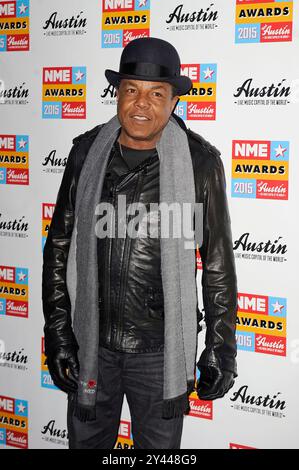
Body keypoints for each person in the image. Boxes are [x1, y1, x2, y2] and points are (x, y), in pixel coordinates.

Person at [42, 37, 238, 450]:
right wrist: (60, 334)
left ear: (173, 102)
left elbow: (217, 261)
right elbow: (58, 247)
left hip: (160, 354)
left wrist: (222, 348)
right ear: (118, 94)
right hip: (92, 345)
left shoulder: (200, 164)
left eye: (156, 94)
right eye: (131, 90)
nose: (141, 104)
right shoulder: (85, 154)